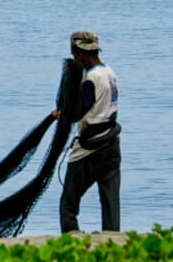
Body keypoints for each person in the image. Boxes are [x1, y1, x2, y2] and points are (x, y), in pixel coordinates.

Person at [54, 31, 121, 233]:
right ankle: (113, 236)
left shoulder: (92, 78)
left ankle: (71, 236)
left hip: (90, 149)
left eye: (75, 54)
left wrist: (62, 112)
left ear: (81, 53)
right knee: (110, 202)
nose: (75, 59)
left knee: (68, 202)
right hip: (112, 144)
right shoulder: (110, 72)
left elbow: (77, 113)